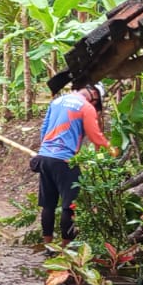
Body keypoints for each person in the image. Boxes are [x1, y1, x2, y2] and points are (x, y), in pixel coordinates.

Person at [35, 80, 116, 244]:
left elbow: (44, 129)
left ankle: (47, 243)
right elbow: (94, 136)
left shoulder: (57, 101)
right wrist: (110, 148)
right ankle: (65, 249)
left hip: (44, 156)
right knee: (69, 205)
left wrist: (46, 152)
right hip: (65, 160)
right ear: (94, 95)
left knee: (48, 204)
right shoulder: (86, 107)